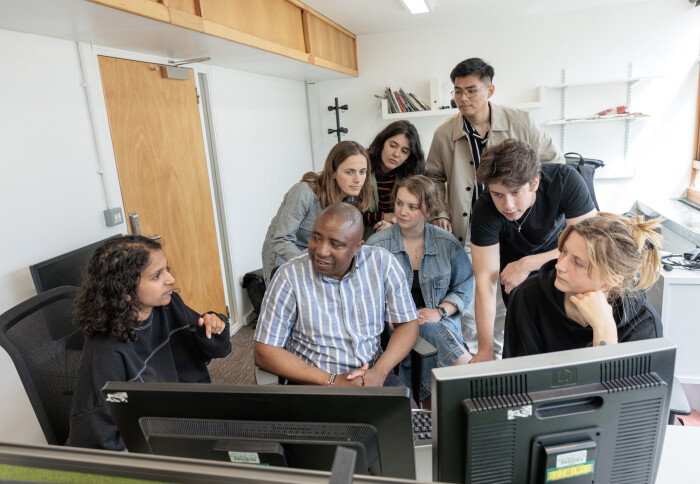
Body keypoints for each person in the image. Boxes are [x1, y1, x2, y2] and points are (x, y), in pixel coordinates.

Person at [426, 57, 564, 358]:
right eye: (457, 91)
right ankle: (480, 361)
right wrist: (439, 212)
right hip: (472, 229)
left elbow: (554, 164)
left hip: (517, 229)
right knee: (477, 297)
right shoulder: (443, 134)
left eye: (471, 90)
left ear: (490, 90)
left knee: (512, 298)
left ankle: (503, 360)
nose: (462, 98)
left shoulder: (522, 122)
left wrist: (524, 201)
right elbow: (433, 177)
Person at [66, 235, 231, 450]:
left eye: (166, 269)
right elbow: (99, 437)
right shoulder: (107, 350)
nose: (170, 279)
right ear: (124, 291)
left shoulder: (169, 306)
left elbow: (213, 351)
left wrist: (210, 326)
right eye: (156, 276)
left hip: (189, 417)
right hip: (153, 444)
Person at [254, 203, 419, 388]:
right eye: (316, 238)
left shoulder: (382, 263)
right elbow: (264, 351)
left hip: (373, 376)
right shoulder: (289, 276)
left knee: (411, 417)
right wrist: (332, 381)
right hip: (313, 382)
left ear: (358, 247)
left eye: (335, 244)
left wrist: (379, 372)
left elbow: (407, 323)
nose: (321, 251)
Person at [470, 138, 596, 363]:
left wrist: (528, 263)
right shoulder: (485, 209)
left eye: (516, 192)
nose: (507, 205)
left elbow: (590, 247)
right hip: (516, 277)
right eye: (498, 194)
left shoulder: (565, 181)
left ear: (535, 182)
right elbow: (485, 281)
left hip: (565, 258)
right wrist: (484, 349)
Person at [366, 175, 473, 405]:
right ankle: (472, 377)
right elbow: (365, 299)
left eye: (412, 207)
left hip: (441, 326)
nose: (402, 211)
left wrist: (440, 311)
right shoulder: (376, 246)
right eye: (399, 203)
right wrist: (394, 320)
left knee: (431, 328)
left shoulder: (447, 244)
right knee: (423, 330)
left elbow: (465, 287)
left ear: (429, 210)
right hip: (395, 332)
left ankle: (428, 415)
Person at [503, 213, 664, 357]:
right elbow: (517, 381)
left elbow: (620, 390)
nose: (560, 266)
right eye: (564, 252)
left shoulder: (643, 323)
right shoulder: (529, 296)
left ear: (612, 280)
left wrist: (604, 328)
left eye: (578, 263)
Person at [262, 140, 373, 284]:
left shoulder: (350, 199)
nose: (358, 179)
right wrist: (315, 264)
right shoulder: (304, 192)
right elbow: (281, 240)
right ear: (333, 172)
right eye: (349, 172)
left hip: (320, 262)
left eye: (362, 172)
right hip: (286, 260)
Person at [362, 120, 426, 238]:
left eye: (404, 151)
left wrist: (391, 225)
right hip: (361, 241)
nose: (396, 154)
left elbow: (419, 216)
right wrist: (384, 217)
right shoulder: (361, 167)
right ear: (382, 143)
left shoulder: (412, 176)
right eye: (392, 146)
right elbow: (350, 215)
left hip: (398, 239)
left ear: (409, 156)